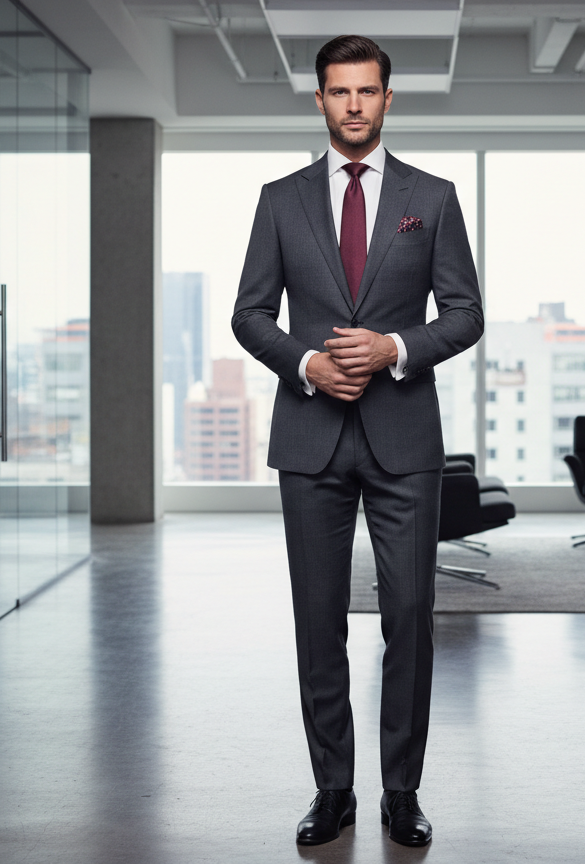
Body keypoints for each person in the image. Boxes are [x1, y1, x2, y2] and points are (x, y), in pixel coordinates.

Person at [232, 34, 483, 848]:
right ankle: (333, 789)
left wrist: (395, 349)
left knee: (409, 614)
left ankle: (401, 792)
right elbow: (249, 314)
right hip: (310, 436)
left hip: (403, 437)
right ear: (319, 100)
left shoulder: (431, 197)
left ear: (386, 98)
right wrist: (306, 364)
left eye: (366, 91)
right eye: (338, 92)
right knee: (318, 619)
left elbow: (466, 313)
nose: (353, 105)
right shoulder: (280, 200)